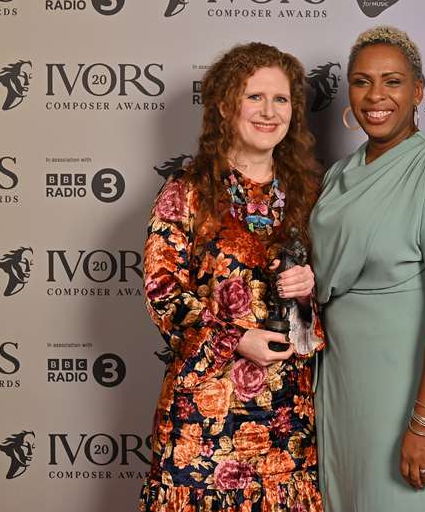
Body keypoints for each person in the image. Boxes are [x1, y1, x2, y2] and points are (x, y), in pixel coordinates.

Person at [139, 42, 325, 512]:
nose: (268, 112)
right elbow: (163, 295)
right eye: (254, 97)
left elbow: (331, 313)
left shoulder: (313, 199)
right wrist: (239, 339)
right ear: (225, 106)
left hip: (286, 417)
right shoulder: (186, 193)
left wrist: (308, 296)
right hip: (204, 414)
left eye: (280, 99)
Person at [309, 26, 425, 512]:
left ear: (418, 91)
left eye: (393, 81)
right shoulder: (338, 175)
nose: (376, 96)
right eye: (362, 82)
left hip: (405, 396)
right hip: (343, 390)